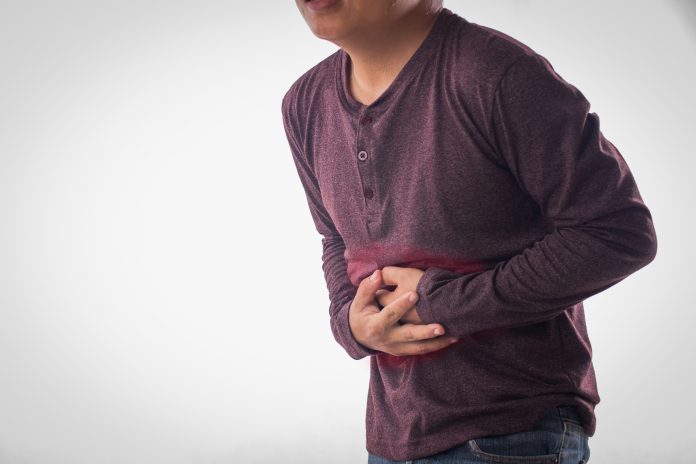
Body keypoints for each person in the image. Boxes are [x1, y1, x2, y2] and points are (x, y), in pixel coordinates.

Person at [281, 1, 657, 463]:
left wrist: (443, 304)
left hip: (513, 433)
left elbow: (616, 232)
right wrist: (350, 322)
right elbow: (335, 238)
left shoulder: (495, 73)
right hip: (392, 436)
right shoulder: (304, 102)